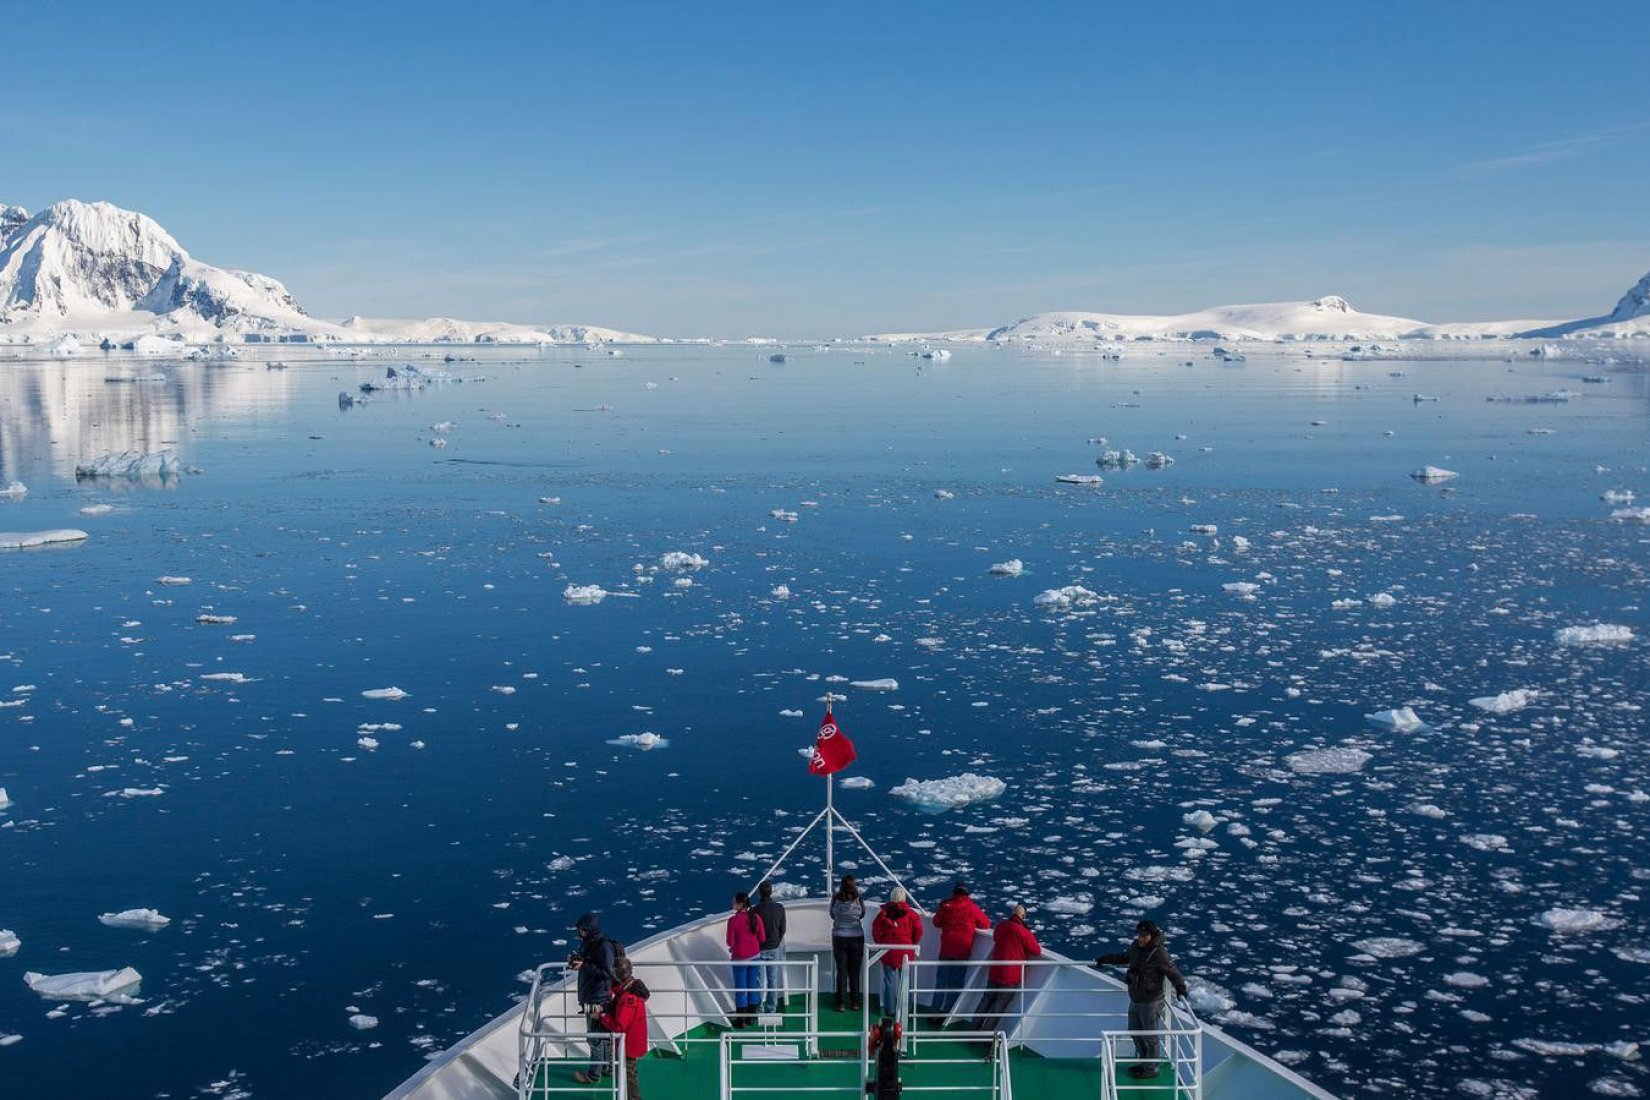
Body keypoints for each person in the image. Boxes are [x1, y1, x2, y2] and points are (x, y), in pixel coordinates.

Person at [1095, 919, 1189, 1079]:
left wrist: (1180, 987)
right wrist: (1105, 958)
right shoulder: (1136, 947)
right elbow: (1125, 957)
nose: (1141, 938)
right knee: (1134, 1031)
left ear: (1152, 935)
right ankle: (1144, 1062)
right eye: (1140, 934)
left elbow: (1173, 972)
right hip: (1136, 997)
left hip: (1151, 1000)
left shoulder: (1159, 953)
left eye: (1145, 935)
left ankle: (1151, 1068)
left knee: (1150, 1036)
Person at [972, 903, 1040, 1036]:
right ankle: (985, 1035)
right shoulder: (1023, 932)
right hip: (1010, 976)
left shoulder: (1002, 926)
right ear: (1023, 916)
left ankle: (973, 1029)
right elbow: (1036, 950)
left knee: (986, 1000)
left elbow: (996, 937)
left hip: (996, 971)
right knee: (998, 1007)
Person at [589, 957, 650, 1096]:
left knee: (628, 1077)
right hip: (634, 1042)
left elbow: (619, 1027)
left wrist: (602, 1016)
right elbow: (619, 989)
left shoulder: (628, 999)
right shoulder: (633, 987)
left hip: (628, 1045)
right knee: (630, 1073)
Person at [570, 912, 617, 1082]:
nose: (580, 933)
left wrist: (585, 965)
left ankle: (593, 1075)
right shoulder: (590, 944)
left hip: (598, 998)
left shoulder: (604, 947)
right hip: (591, 996)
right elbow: (592, 964)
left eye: (583, 930)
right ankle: (606, 1068)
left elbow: (607, 972)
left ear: (591, 930)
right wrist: (579, 962)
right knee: (601, 1036)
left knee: (595, 1038)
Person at [931, 881, 989, 1014]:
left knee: (941, 982)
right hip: (962, 950)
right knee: (956, 983)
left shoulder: (946, 906)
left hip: (946, 949)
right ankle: (948, 1012)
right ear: (967, 894)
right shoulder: (971, 908)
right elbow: (986, 924)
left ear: (954, 893)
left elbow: (936, 922)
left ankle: (934, 1012)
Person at [870, 886, 924, 1017]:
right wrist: (912, 943)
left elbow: (876, 931)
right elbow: (919, 931)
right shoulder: (912, 914)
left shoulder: (883, 914)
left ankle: (890, 1009)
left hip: (888, 951)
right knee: (905, 980)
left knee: (889, 980)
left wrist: (881, 943)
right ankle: (907, 1008)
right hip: (906, 950)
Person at [725, 891, 766, 1027]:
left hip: (740, 959)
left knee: (741, 988)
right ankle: (751, 1017)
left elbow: (730, 942)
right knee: (752, 986)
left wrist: (736, 946)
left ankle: (741, 1020)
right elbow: (762, 938)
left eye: (734, 902)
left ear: (740, 904)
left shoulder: (733, 921)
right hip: (755, 957)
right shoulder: (756, 918)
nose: (732, 904)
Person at [829, 874, 866, 1012]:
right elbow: (862, 914)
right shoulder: (858, 899)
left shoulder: (836, 899)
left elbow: (832, 915)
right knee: (854, 971)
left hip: (839, 938)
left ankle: (841, 1003)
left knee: (842, 971)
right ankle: (855, 1002)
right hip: (856, 937)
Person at [752, 880, 789, 1014]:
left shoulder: (755, 910)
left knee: (759, 981)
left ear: (759, 893)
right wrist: (776, 941)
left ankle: (758, 1008)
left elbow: (752, 930)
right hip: (774, 947)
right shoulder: (779, 908)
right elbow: (783, 928)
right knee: (772, 979)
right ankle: (771, 1008)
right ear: (771, 891)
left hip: (759, 948)